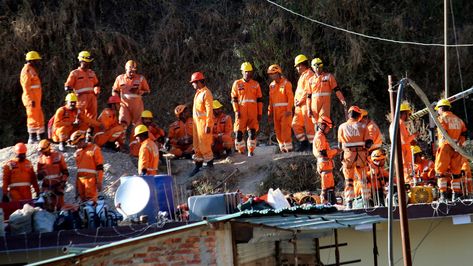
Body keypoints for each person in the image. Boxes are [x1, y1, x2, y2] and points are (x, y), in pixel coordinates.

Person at [338, 106, 372, 209]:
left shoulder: (342, 127)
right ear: (359, 116)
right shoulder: (363, 126)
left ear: (349, 115)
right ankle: (366, 202)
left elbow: (340, 145)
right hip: (361, 157)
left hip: (348, 157)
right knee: (363, 180)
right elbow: (369, 143)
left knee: (349, 181)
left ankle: (349, 203)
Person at [434, 99, 467, 201]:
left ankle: (443, 195)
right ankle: (456, 195)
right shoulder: (459, 120)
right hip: (457, 148)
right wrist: (458, 144)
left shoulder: (441, 119)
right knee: (456, 172)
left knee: (440, 171)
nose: (437, 111)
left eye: (438, 109)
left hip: (446, 146)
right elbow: (464, 133)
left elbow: (443, 133)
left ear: (441, 108)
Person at [231, 62, 263, 156]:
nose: (248, 74)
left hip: (253, 113)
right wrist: (236, 111)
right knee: (238, 134)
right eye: (246, 72)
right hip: (241, 113)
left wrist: (260, 113)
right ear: (242, 72)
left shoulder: (256, 84)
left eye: (250, 72)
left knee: (252, 133)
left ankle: (251, 151)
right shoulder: (237, 83)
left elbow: (259, 100)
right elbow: (234, 99)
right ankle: (241, 151)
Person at [112, 60, 150, 127]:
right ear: (126, 69)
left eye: (133, 71)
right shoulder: (120, 78)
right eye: (130, 71)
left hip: (137, 107)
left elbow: (148, 91)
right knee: (122, 123)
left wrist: (141, 92)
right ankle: (122, 137)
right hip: (124, 105)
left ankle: (135, 137)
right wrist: (116, 100)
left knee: (139, 125)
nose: (132, 73)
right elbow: (115, 90)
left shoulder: (141, 78)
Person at [307, 58, 346, 123]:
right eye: (317, 67)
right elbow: (308, 97)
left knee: (323, 123)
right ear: (312, 68)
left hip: (325, 105)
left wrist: (342, 99)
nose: (319, 69)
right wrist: (308, 109)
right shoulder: (310, 80)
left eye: (320, 67)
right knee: (316, 124)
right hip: (314, 106)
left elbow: (337, 90)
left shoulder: (328, 77)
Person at [189, 72, 214, 176]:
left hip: (203, 124)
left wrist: (208, 124)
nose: (192, 84)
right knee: (197, 146)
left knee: (205, 145)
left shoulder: (206, 93)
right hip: (197, 124)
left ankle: (210, 166)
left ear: (199, 82)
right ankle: (198, 166)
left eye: (194, 82)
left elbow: (209, 110)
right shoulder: (198, 92)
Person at [64, 51, 101, 119]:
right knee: (80, 115)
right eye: (86, 61)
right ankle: (79, 128)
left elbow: (97, 84)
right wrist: (73, 97)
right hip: (80, 97)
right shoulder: (75, 73)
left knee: (92, 115)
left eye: (88, 62)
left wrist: (97, 91)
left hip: (92, 97)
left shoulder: (91, 73)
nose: (88, 63)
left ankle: (91, 128)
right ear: (81, 61)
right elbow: (68, 86)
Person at [70, 131, 103, 203]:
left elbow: (100, 166)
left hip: (91, 180)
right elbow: (78, 171)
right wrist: (76, 187)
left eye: (77, 143)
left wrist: (99, 181)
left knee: (91, 202)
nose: (76, 146)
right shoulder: (77, 153)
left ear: (82, 140)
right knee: (82, 202)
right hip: (80, 181)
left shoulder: (94, 148)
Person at [267, 64, 294, 153]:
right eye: (270, 74)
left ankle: (289, 149)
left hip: (285, 112)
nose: (271, 75)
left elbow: (290, 98)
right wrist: (269, 113)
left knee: (285, 131)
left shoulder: (286, 83)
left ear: (278, 73)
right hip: (276, 112)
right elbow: (271, 101)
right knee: (278, 131)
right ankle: (283, 149)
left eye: (273, 73)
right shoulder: (271, 85)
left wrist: (289, 110)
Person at [313, 116, 339, 204]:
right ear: (323, 126)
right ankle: (324, 204)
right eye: (328, 127)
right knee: (325, 188)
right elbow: (323, 153)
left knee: (330, 187)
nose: (329, 130)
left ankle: (332, 203)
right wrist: (336, 151)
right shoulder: (320, 137)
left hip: (327, 165)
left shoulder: (321, 136)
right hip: (324, 166)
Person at [20, 51, 45, 143]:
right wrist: (30, 100)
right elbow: (26, 87)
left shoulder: (32, 69)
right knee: (32, 117)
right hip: (31, 99)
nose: (38, 62)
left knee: (39, 117)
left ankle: (41, 136)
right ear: (32, 61)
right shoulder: (26, 70)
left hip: (36, 99)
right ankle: (32, 137)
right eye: (37, 60)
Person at [390, 103, 418, 183]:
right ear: (403, 113)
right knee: (407, 176)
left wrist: (411, 141)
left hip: (400, 154)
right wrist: (414, 135)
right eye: (407, 114)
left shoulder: (393, 124)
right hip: (404, 155)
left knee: (402, 175)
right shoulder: (400, 123)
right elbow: (404, 140)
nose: (408, 116)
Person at [37, 139, 69, 210]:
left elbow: (65, 172)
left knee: (60, 206)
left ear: (48, 148)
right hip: (46, 186)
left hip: (58, 185)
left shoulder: (58, 156)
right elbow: (39, 176)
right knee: (48, 206)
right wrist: (40, 175)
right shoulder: (40, 159)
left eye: (43, 150)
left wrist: (63, 183)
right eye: (41, 151)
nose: (42, 152)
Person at [292, 54, 315, 151]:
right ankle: (303, 143)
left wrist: (300, 101)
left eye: (297, 66)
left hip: (306, 104)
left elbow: (307, 90)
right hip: (299, 106)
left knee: (309, 126)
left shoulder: (309, 74)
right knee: (295, 124)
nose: (297, 68)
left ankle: (312, 145)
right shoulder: (302, 76)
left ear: (302, 65)